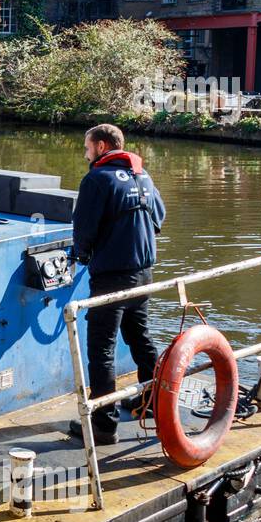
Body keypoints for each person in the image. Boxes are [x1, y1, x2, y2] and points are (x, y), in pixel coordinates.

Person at [69, 123, 167, 445]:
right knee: (140, 338)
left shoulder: (97, 179)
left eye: (87, 148)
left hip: (111, 277)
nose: (85, 154)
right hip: (143, 275)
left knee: (101, 349)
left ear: (100, 146)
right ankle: (150, 404)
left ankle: (104, 426)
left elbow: (83, 230)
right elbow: (159, 217)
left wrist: (81, 256)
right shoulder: (144, 176)